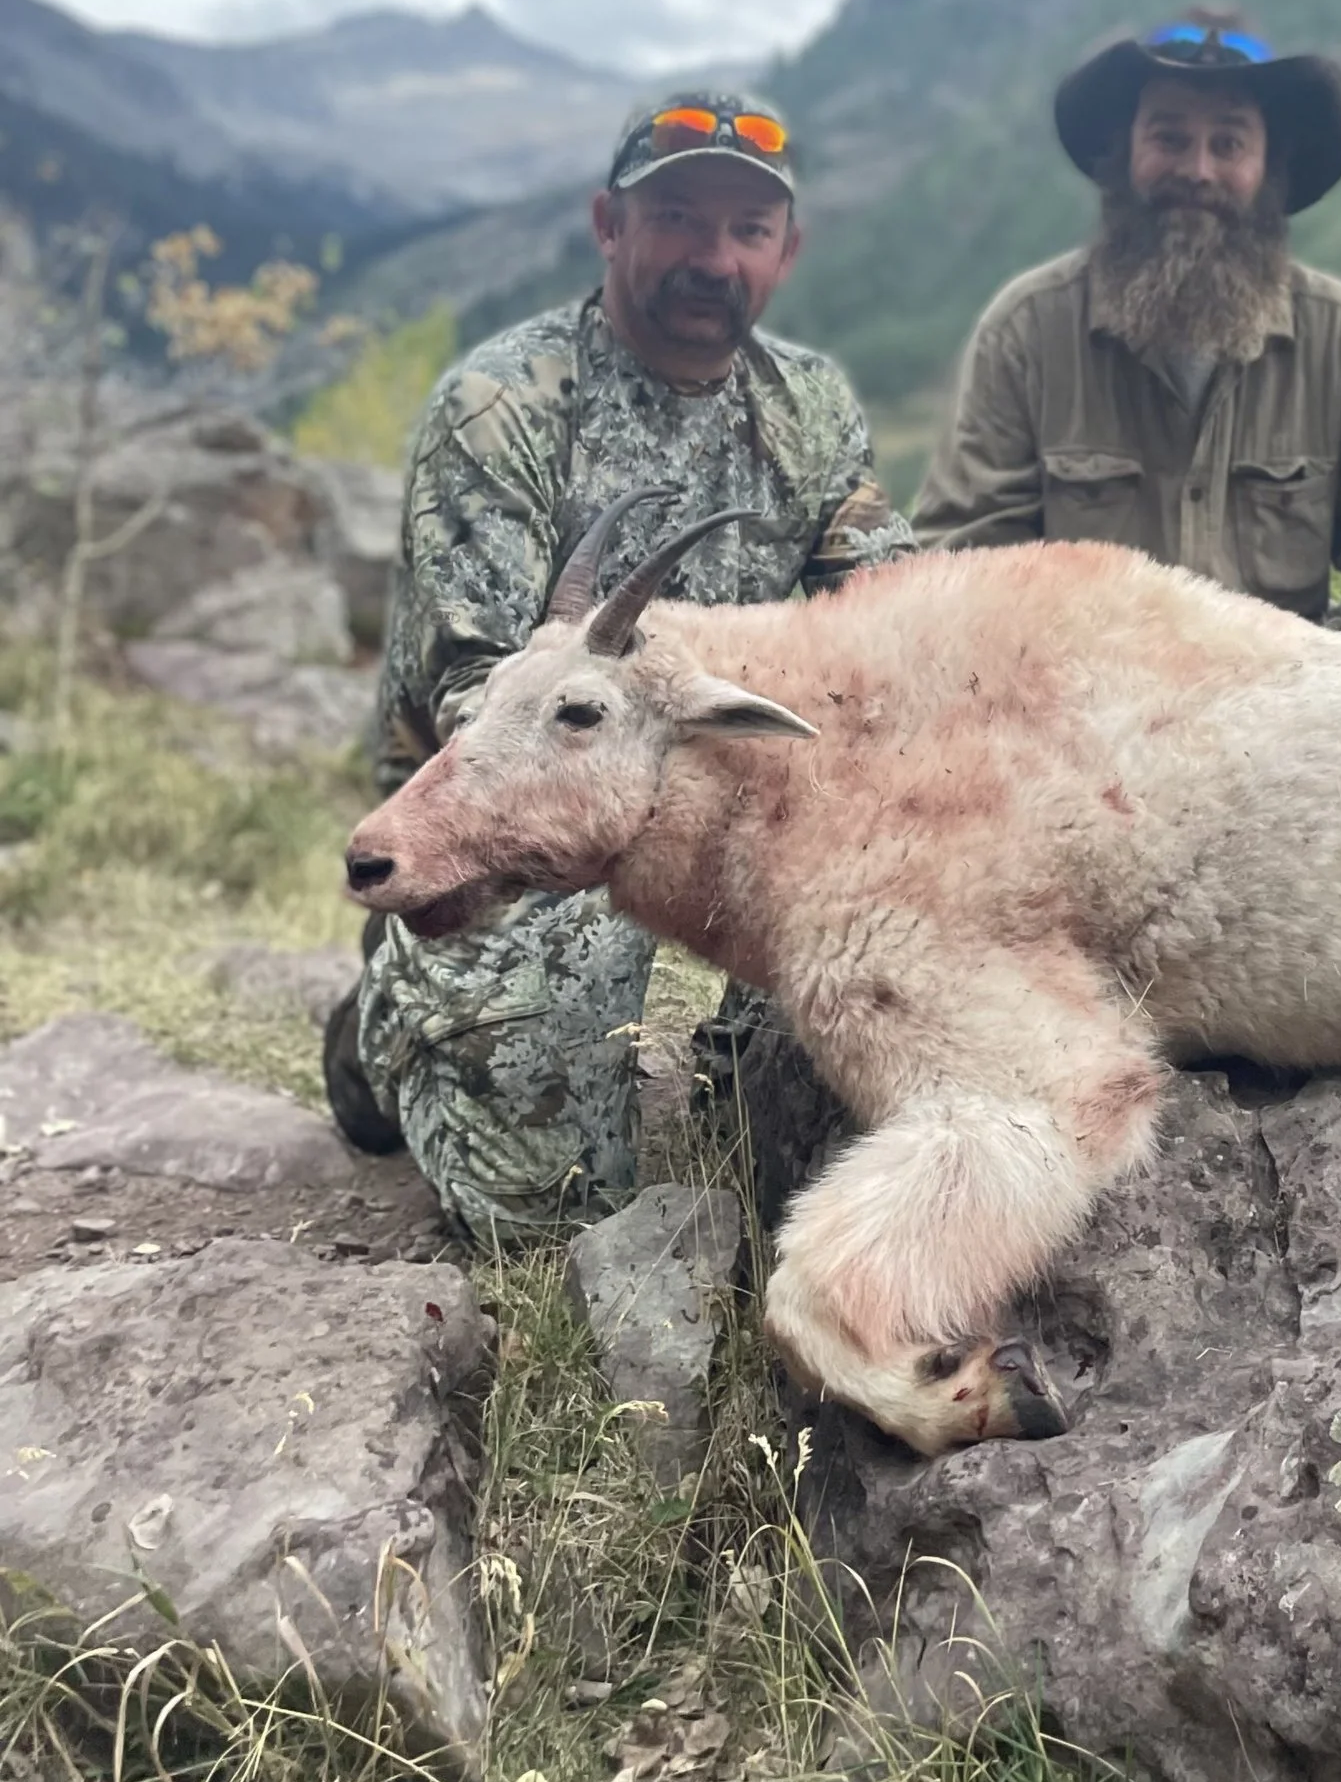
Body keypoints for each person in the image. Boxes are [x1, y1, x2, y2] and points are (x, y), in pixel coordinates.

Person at [325, 89, 914, 1234]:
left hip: (737, 804)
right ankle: (387, 1012)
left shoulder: (812, 408)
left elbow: (881, 622)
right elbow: (477, 694)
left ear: (784, 254)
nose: (713, 256)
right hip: (526, 812)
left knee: (872, 1032)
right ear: (609, 224)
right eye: (680, 218)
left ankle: (738, 1067)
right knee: (543, 1209)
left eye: (748, 231)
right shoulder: (500, 406)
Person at [915, 14, 1341, 640]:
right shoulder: (1029, 333)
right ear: (1123, 154)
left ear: (1268, 170)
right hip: (1092, 702)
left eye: (1229, 143)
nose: (1199, 170)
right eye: (1170, 137)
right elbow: (962, 557)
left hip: (1285, 703)